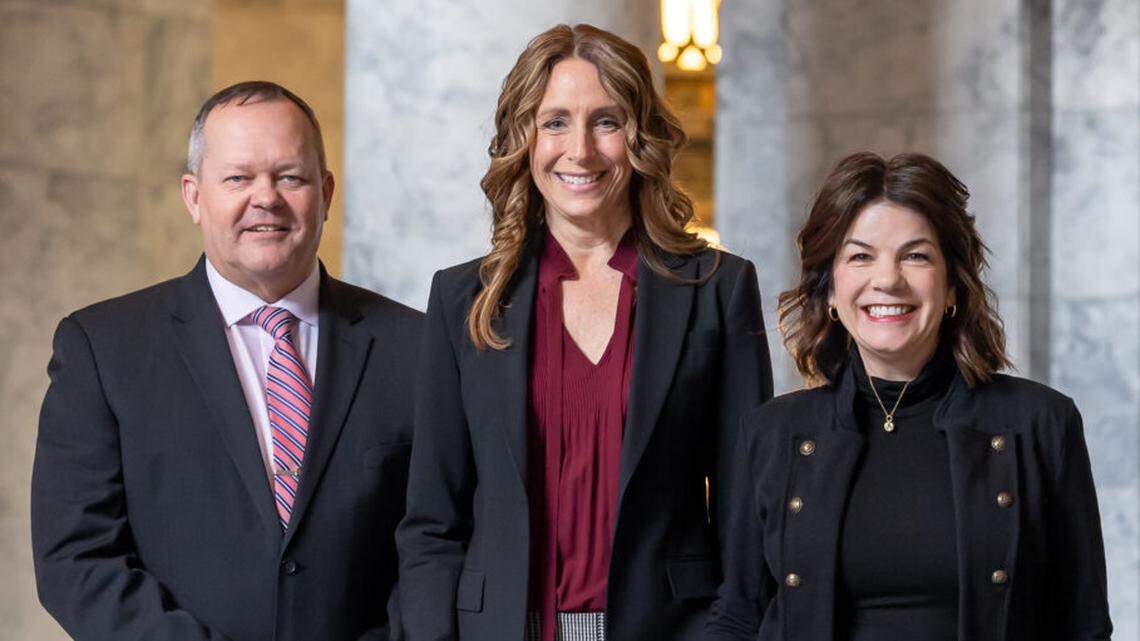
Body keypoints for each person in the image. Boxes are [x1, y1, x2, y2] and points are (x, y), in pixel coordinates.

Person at [396, 23, 773, 641]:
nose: (581, 150)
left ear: (640, 136)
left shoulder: (717, 289)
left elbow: (746, 514)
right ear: (523, 138)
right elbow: (431, 522)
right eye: (554, 123)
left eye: (606, 121)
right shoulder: (464, 300)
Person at [31, 81, 422, 641]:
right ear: (193, 195)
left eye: (290, 176)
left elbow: (439, 543)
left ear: (327, 192)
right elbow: (77, 560)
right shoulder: (102, 348)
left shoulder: (415, 348)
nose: (266, 197)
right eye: (238, 177)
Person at [706, 152, 1112, 641]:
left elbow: (1083, 625)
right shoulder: (773, 434)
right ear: (830, 289)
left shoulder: (1040, 423)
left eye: (915, 255)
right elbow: (737, 615)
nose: (888, 280)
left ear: (953, 286)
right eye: (860, 256)